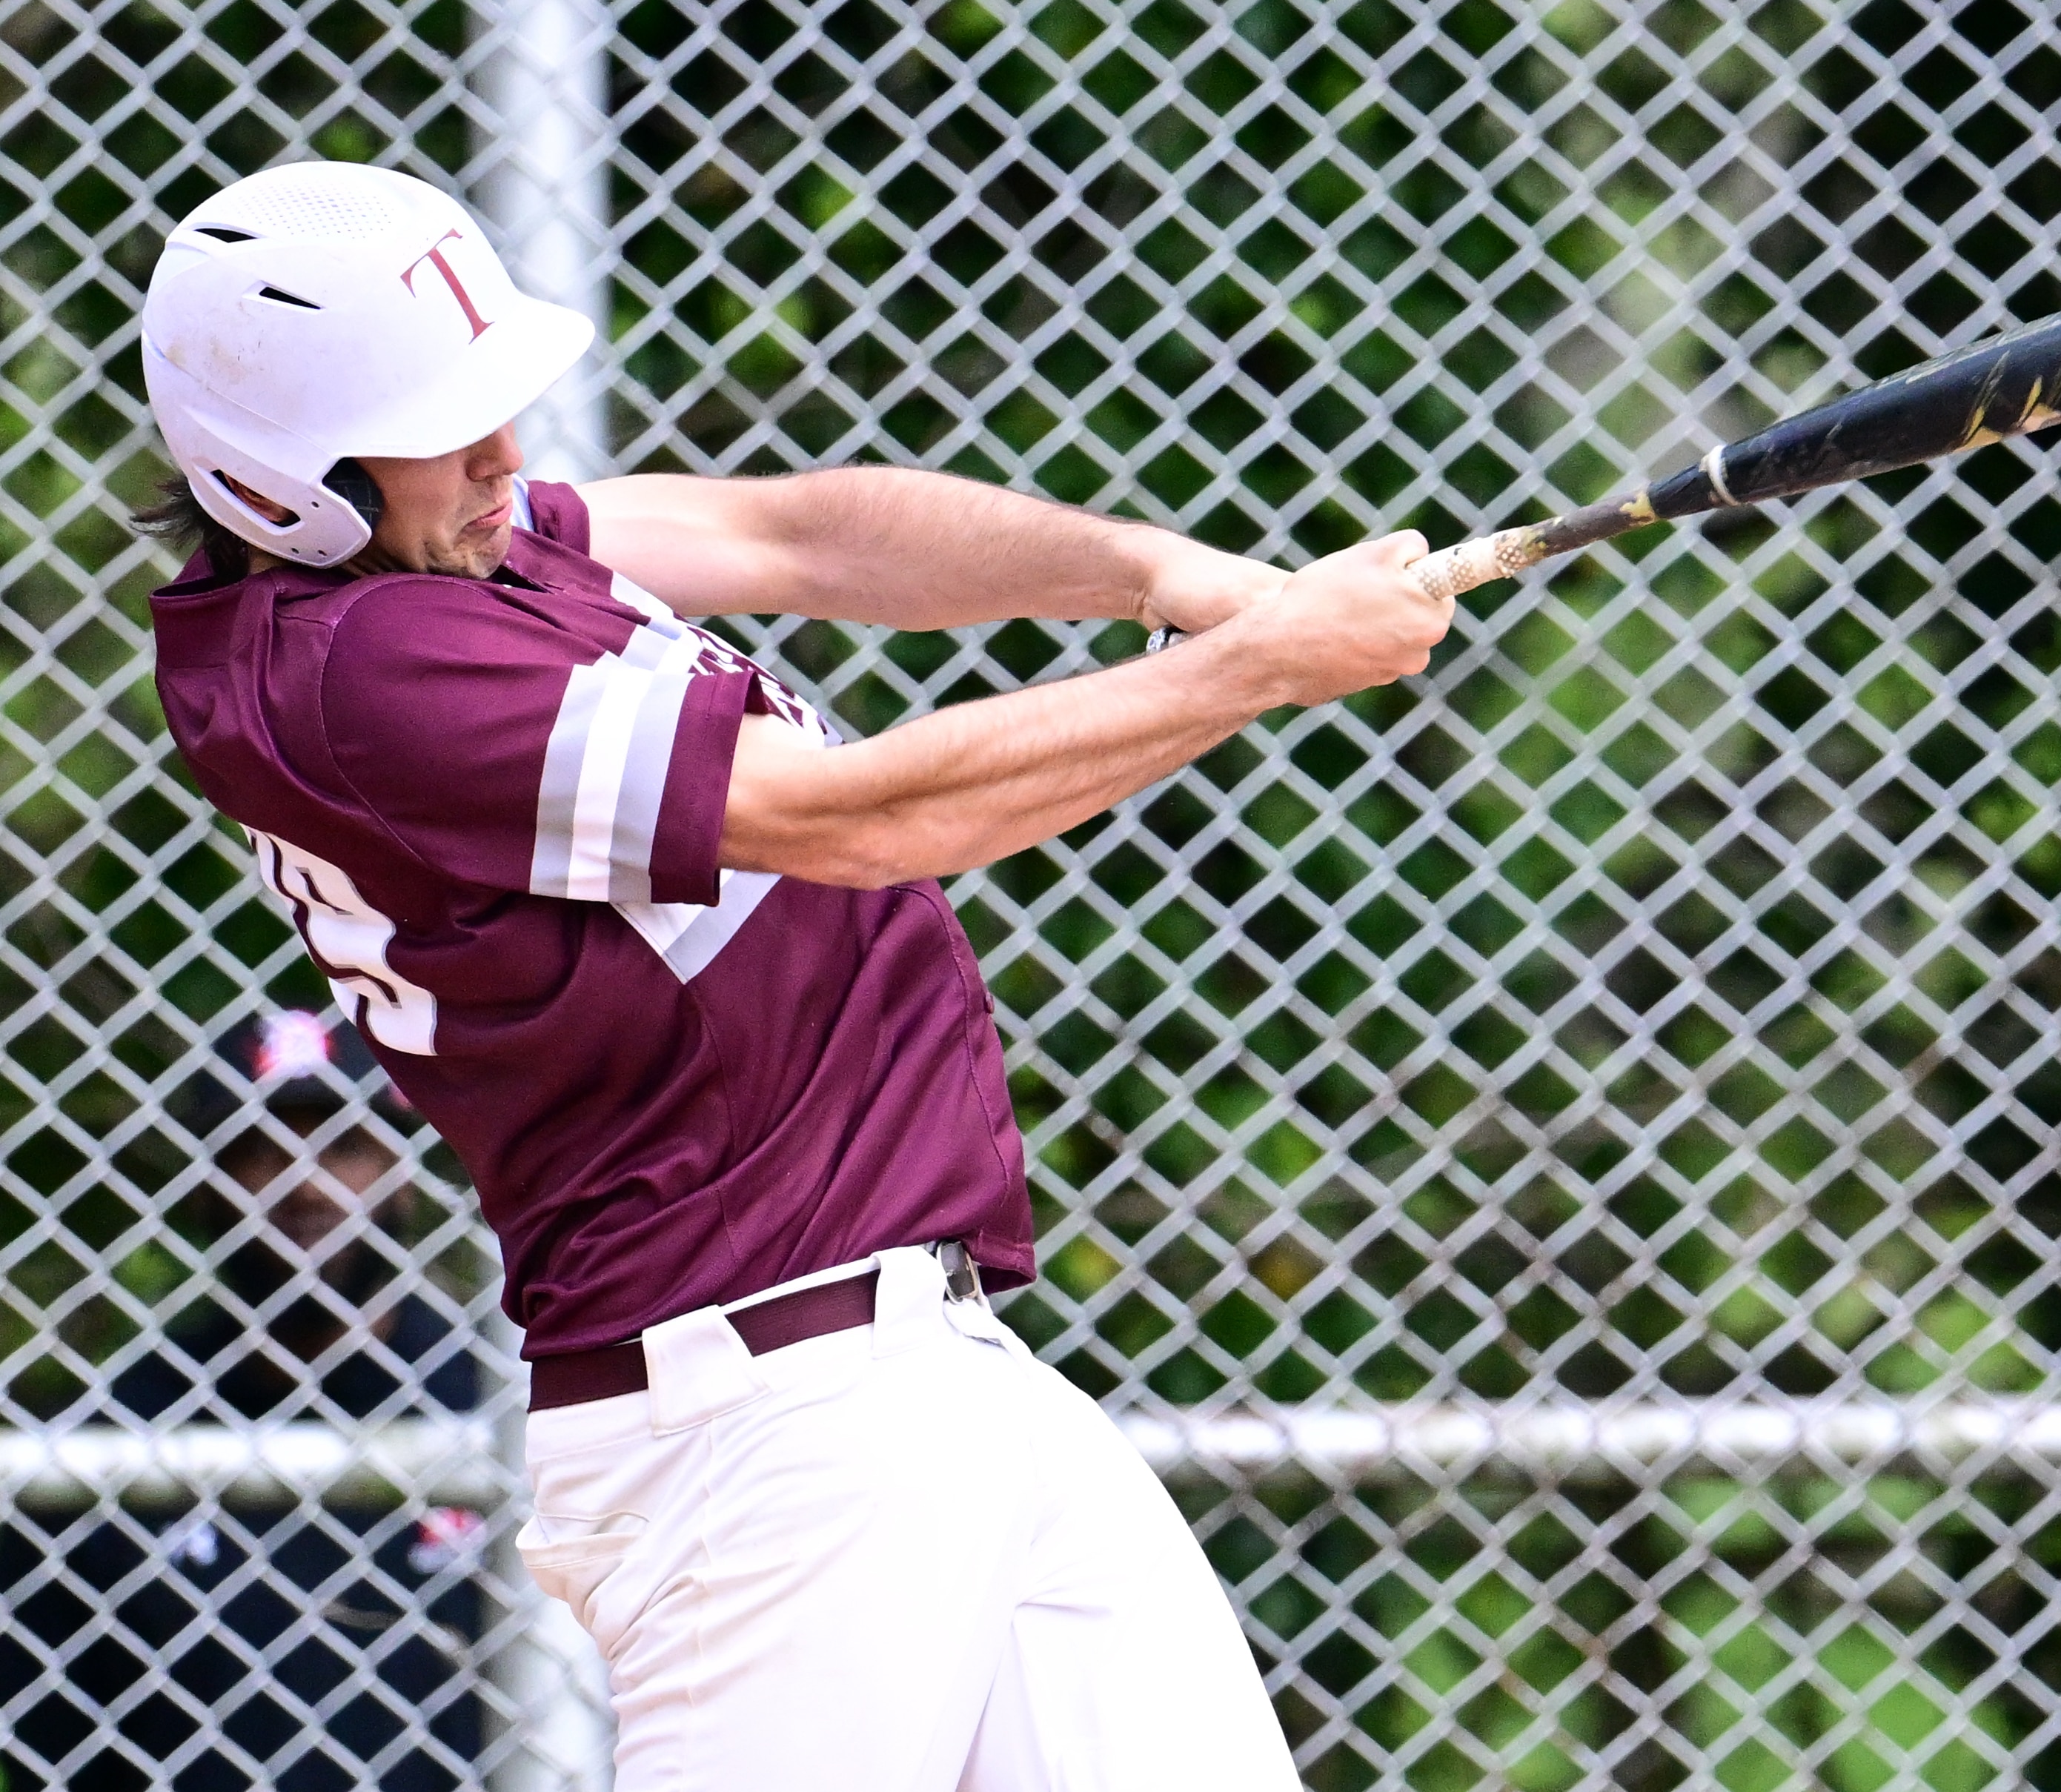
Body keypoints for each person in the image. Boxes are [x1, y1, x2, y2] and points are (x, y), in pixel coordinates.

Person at [131, 159, 1451, 1791]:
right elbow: (864, 817)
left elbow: (797, 529)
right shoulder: (359, 677)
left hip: (930, 1376)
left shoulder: (462, 559)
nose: (504, 459)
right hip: (756, 1430)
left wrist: (1161, 577)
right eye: (443, 430)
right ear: (280, 484)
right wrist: (1254, 670)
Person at [0, 1012, 483, 1791]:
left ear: (401, 1172)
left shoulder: (497, 1409)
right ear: (205, 1189)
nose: (305, 1185)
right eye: (262, 1152)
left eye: (342, 1148)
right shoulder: (110, 1436)